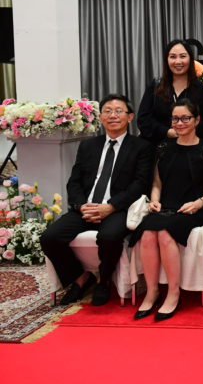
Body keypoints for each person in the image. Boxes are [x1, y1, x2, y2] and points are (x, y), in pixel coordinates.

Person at [40, 94, 154, 306]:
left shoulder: (142, 147)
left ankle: (104, 280)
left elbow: (140, 185)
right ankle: (80, 277)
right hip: (86, 208)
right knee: (49, 237)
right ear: (100, 117)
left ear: (130, 117)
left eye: (118, 111)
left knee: (109, 236)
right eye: (107, 111)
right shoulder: (88, 146)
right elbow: (74, 181)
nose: (113, 115)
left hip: (118, 209)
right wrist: (81, 206)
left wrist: (110, 207)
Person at [131, 99, 203, 321]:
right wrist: (154, 201)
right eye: (175, 119)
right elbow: (157, 183)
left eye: (185, 118)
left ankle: (173, 293)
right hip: (167, 205)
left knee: (165, 233)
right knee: (147, 234)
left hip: (198, 208)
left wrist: (198, 203)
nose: (180, 123)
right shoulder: (163, 148)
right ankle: (152, 291)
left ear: (197, 120)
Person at [137, 40, 203, 145]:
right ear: (166, 60)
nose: (178, 61)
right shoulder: (156, 86)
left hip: (192, 147)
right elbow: (143, 120)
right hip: (158, 147)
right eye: (173, 57)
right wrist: (167, 132)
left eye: (182, 56)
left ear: (190, 59)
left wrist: (186, 131)